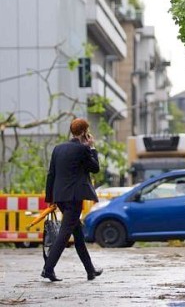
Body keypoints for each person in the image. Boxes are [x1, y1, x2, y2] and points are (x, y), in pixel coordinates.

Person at [41, 117, 103, 282]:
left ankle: (90, 270)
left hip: (60, 196)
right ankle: (48, 269)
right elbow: (95, 168)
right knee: (64, 233)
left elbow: (51, 174)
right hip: (74, 198)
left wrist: (50, 198)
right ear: (84, 132)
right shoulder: (82, 150)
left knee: (78, 234)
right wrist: (92, 148)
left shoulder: (58, 149)